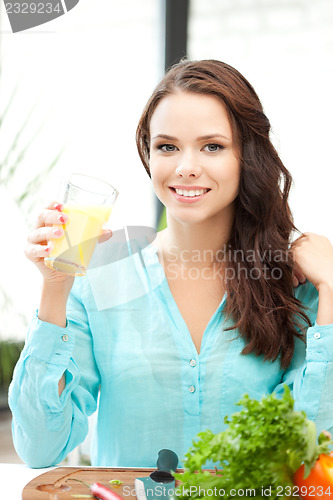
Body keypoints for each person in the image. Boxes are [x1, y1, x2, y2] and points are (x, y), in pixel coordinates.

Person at [9, 59, 333, 469]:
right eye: (167, 146)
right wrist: (55, 287)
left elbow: (314, 446)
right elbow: (39, 448)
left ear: (246, 156)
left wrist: (332, 288)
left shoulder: (295, 280)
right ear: (148, 154)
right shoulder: (101, 275)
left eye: (212, 146)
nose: (186, 167)